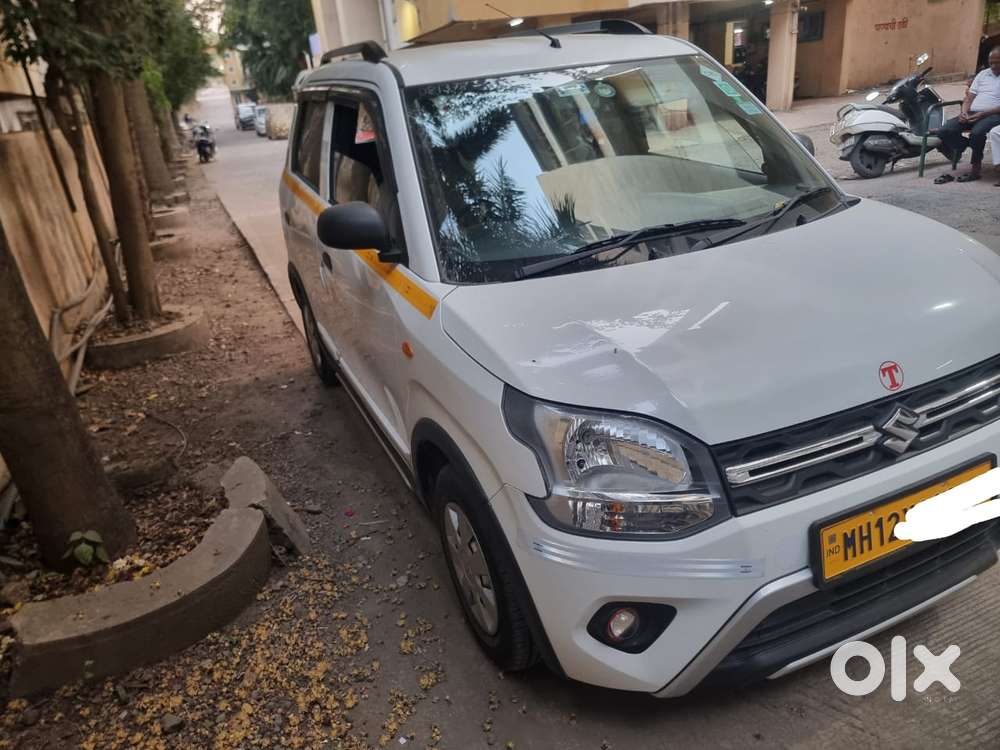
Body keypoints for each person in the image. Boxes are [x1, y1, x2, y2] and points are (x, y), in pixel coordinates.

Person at [938, 47, 1000, 182]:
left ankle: (975, 168)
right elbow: (969, 98)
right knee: (945, 130)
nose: (994, 66)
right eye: (991, 63)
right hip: (972, 112)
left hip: (993, 114)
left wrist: (982, 114)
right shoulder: (983, 74)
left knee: (977, 134)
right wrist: (964, 112)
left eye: (997, 62)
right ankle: (966, 145)